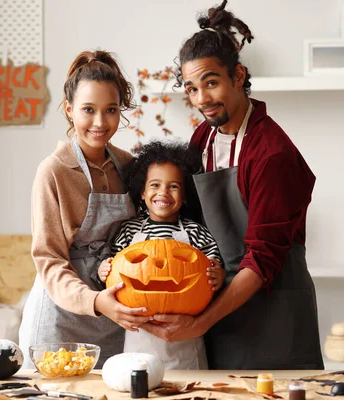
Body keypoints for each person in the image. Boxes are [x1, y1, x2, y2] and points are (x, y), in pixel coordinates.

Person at [141, 1, 324, 370]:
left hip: (273, 313)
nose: (202, 100)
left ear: (237, 76)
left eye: (211, 83)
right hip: (218, 306)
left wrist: (199, 322)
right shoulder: (202, 140)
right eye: (191, 89)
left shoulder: (272, 154)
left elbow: (261, 260)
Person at [19, 50, 153, 369]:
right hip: (60, 320)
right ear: (69, 110)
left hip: (113, 318)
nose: (99, 122)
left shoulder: (128, 166)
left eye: (110, 110)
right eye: (88, 110)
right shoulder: (53, 171)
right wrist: (95, 300)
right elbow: (49, 260)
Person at [96, 140, 225, 370]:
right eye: (155, 185)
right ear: (143, 192)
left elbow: (213, 266)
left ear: (185, 196)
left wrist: (218, 275)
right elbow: (115, 272)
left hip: (186, 338)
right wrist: (103, 269)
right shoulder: (129, 231)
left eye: (173, 186)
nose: (163, 192)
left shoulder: (195, 232)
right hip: (139, 337)